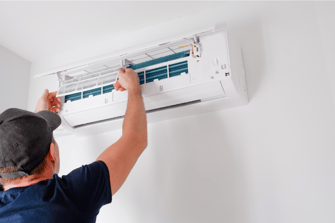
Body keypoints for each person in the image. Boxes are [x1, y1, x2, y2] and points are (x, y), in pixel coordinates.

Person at [0, 68, 148, 223]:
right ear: (52, 153)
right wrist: (133, 88)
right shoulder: (71, 197)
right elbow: (135, 139)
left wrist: (37, 124)